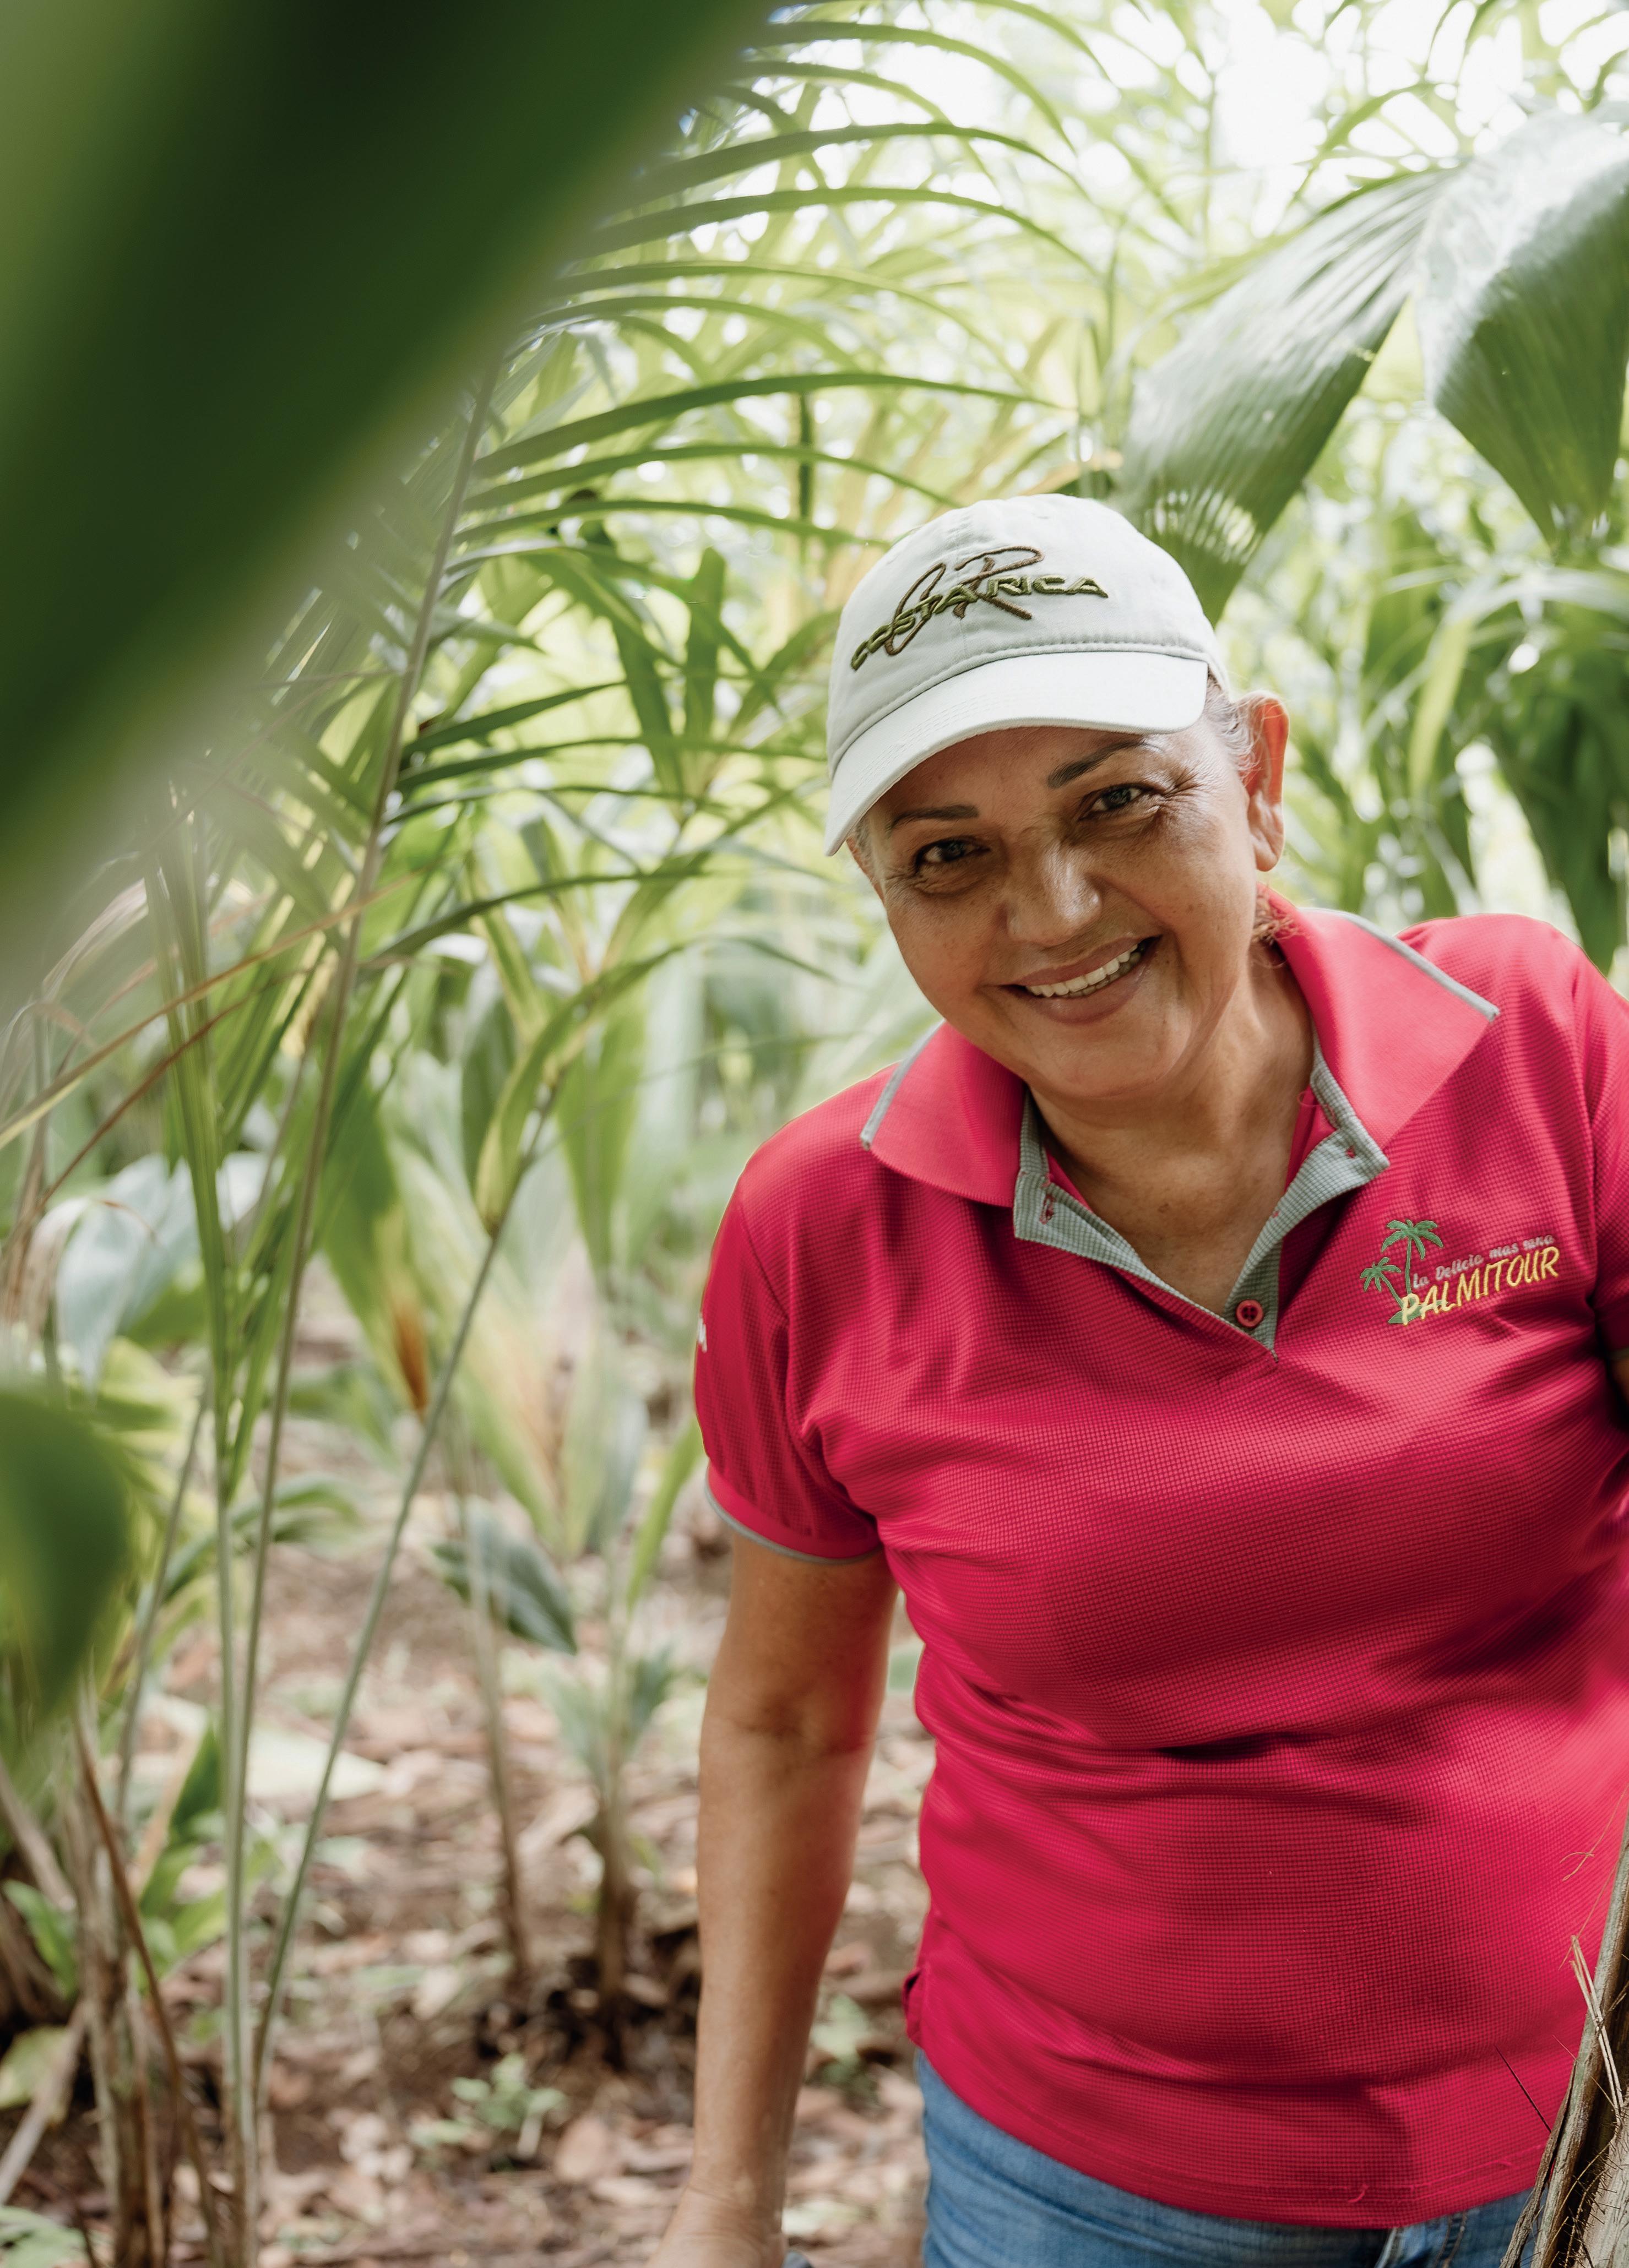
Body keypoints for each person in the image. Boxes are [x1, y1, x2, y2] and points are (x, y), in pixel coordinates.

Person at [651, 496, 1629, 2268]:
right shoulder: (823, 1229)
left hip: (1587, 2123)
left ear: (1257, 780)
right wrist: (726, 2206)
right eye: (948, 855)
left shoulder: (1535, 1042)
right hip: (1088, 2191)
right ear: (884, 895)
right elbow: (786, 1724)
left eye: (1118, 802)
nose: (1053, 911)